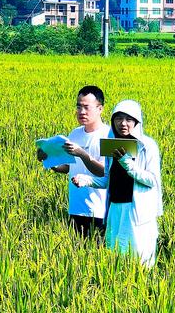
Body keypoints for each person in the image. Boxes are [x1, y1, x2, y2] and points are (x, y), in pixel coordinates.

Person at [72, 99, 162, 267]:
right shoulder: (112, 144)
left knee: (139, 256)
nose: (123, 123)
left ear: (137, 121)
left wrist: (128, 164)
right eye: (118, 118)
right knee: (116, 257)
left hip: (136, 211)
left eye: (129, 119)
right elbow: (108, 180)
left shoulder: (147, 146)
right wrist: (86, 180)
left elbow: (152, 180)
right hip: (115, 209)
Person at [37, 86, 110, 238]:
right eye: (78, 107)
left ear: (100, 109)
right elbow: (68, 167)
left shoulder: (108, 135)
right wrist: (49, 160)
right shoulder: (75, 134)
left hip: (99, 211)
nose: (81, 112)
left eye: (86, 107)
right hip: (76, 208)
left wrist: (82, 153)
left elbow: (105, 172)